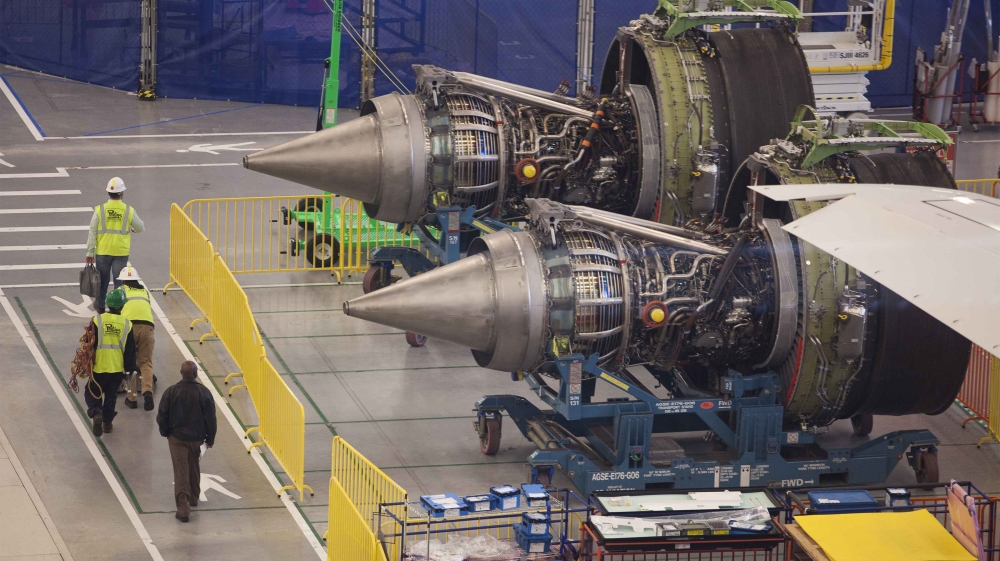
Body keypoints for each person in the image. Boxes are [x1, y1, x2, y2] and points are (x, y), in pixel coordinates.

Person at [157, 361, 217, 523]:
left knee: (181, 470)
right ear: (195, 373)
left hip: (177, 439)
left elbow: (162, 414)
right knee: (194, 465)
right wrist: (210, 439)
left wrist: (165, 432)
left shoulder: (171, 392)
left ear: (180, 373)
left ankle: (183, 510)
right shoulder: (204, 392)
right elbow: (210, 418)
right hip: (197, 439)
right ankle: (194, 497)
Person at [85, 177, 144, 313]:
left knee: (103, 281)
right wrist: (132, 228)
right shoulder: (128, 210)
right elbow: (140, 227)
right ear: (122, 193)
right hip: (120, 252)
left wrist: (89, 252)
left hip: (103, 251)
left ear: (108, 193)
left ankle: (100, 305)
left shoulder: (100, 210)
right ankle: (119, 308)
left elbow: (92, 230)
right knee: (120, 283)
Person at [87, 288, 136, 437]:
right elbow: (130, 352)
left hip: (98, 368)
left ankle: (96, 413)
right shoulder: (127, 324)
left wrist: (86, 364)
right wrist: (128, 373)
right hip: (115, 369)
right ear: (122, 306)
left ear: (107, 304)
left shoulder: (97, 320)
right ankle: (107, 423)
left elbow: (89, 345)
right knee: (111, 396)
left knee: (92, 393)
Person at [118, 264, 156, 411]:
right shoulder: (145, 292)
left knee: (130, 363)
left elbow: (115, 311)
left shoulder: (120, 291)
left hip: (128, 327)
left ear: (123, 281)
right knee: (145, 362)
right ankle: (147, 393)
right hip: (147, 326)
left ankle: (132, 398)